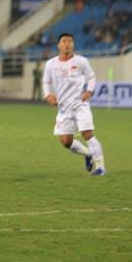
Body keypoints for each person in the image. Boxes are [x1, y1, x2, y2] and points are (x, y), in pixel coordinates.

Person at [43, 33, 105, 176]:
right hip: (63, 107)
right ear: (59, 45)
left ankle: (100, 167)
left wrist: (89, 91)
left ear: (73, 45)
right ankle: (88, 154)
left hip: (80, 104)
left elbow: (91, 77)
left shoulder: (81, 61)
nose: (67, 44)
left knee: (87, 133)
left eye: (70, 41)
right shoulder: (51, 64)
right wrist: (48, 95)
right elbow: (46, 81)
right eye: (64, 41)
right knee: (66, 142)